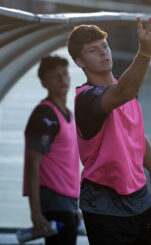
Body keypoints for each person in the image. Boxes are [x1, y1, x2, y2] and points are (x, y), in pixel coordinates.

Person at [67, 17, 151, 245]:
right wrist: (145, 52)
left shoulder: (127, 89)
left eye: (105, 46)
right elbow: (122, 93)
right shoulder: (86, 98)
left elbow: (138, 142)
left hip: (142, 200)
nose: (103, 53)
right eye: (93, 50)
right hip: (104, 206)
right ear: (80, 62)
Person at [22, 55, 80, 245]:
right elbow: (33, 165)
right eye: (56, 76)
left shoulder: (68, 114)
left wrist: (74, 207)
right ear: (44, 82)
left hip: (68, 202)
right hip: (54, 202)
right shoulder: (44, 114)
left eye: (65, 73)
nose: (63, 79)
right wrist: (36, 212)